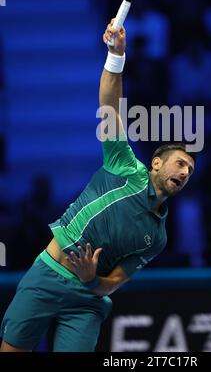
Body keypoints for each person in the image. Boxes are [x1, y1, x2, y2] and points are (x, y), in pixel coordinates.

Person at [0, 20, 196, 352]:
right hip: (47, 274)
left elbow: (114, 283)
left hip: (86, 301)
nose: (185, 171)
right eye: (180, 162)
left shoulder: (158, 237)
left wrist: (91, 278)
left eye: (190, 170)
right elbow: (109, 101)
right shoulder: (125, 165)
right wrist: (116, 53)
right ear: (157, 163)